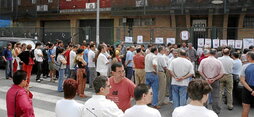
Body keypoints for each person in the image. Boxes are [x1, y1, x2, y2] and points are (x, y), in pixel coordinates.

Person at [198, 49, 224, 115]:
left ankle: (204, 110)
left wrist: (206, 78)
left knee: (204, 95)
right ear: (215, 54)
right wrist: (214, 79)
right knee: (215, 96)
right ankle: (216, 111)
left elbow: (200, 71)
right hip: (215, 80)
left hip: (205, 80)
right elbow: (222, 73)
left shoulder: (203, 61)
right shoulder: (218, 62)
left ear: (209, 53)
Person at [240, 52, 254, 117]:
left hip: (247, 88)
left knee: (246, 108)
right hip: (250, 88)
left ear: (249, 57)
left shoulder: (245, 66)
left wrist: (251, 90)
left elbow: (242, 80)